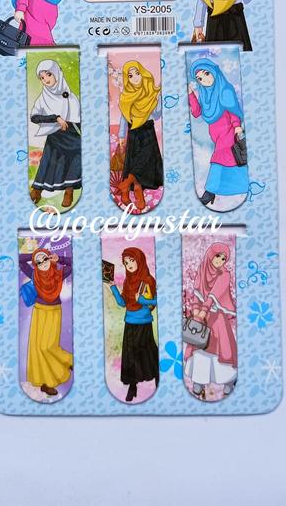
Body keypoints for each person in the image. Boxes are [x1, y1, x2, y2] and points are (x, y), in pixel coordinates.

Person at [188, 57, 248, 205]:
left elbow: (232, 109)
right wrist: (190, 94)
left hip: (228, 132)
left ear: (214, 71)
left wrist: (237, 126)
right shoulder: (205, 94)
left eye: (206, 74)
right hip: (216, 135)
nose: (204, 80)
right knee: (233, 159)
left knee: (218, 159)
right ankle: (241, 186)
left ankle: (210, 192)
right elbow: (197, 112)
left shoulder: (225, 89)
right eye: (199, 78)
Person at [184, 242, 237, 400]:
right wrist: (195, 309)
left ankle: (228, 379)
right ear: (210, 255)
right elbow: (196, 293)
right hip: (200, 318)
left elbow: (213, 295)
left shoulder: (224, 275)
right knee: (199, 346)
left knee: (220, 350)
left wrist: (203, 311)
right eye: (218, 257)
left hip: (217, 320)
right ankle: (199, 380)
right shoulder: (202, 270)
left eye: (223, 259)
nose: (220, 261)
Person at [106, 247, 159, 402]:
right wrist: (113, 287)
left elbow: (156, 301)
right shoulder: (127, 281)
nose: (129, 265)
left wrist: (143, 301)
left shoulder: (149, 280)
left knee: (147, 351)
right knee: (130, 354)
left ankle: (157, 376)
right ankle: (133, 386)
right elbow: (123, 303)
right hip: (129, 321)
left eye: (131, 261)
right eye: (126, 262)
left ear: (139, 260)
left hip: (144, 321)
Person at [20, 247, 73, 397]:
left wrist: (59, 259)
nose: (42, 263)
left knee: (47, 346)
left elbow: (74, 263)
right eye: (38, 262)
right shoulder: (33, 274)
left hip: (54, 311)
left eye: (45, 259)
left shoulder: (59, 274)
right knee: (37, 348)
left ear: (50, 258)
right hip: (39, 310)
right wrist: (34, 254)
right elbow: (20, 260)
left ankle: (70, 360)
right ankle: (46, 383)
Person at [30, 59, 81, 209]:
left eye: (48, 74)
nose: (46, 80)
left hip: (72, 135)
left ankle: (69, 190)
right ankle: (37, 189)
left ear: (57, 73)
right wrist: (55, 118)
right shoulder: (43, 98)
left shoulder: (70, 96)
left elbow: (78, 119)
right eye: (42, 77)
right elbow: (34, 117)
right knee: (49, 158)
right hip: (55, 134)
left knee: (76, 156)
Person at [116, 61, 163, 211]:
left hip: (148, 128)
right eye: (130, 75)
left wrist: (158, 99)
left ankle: (127, 184)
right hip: (133, 131)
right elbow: (124, 117)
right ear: (127, 79)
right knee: (137, 159)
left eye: (137, 73)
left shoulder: (150, 92)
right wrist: (121, 135)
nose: (135, 77)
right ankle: (136, 189)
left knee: (145, 157)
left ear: (143, 74)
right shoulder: (126, 96)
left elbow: (157, 115)